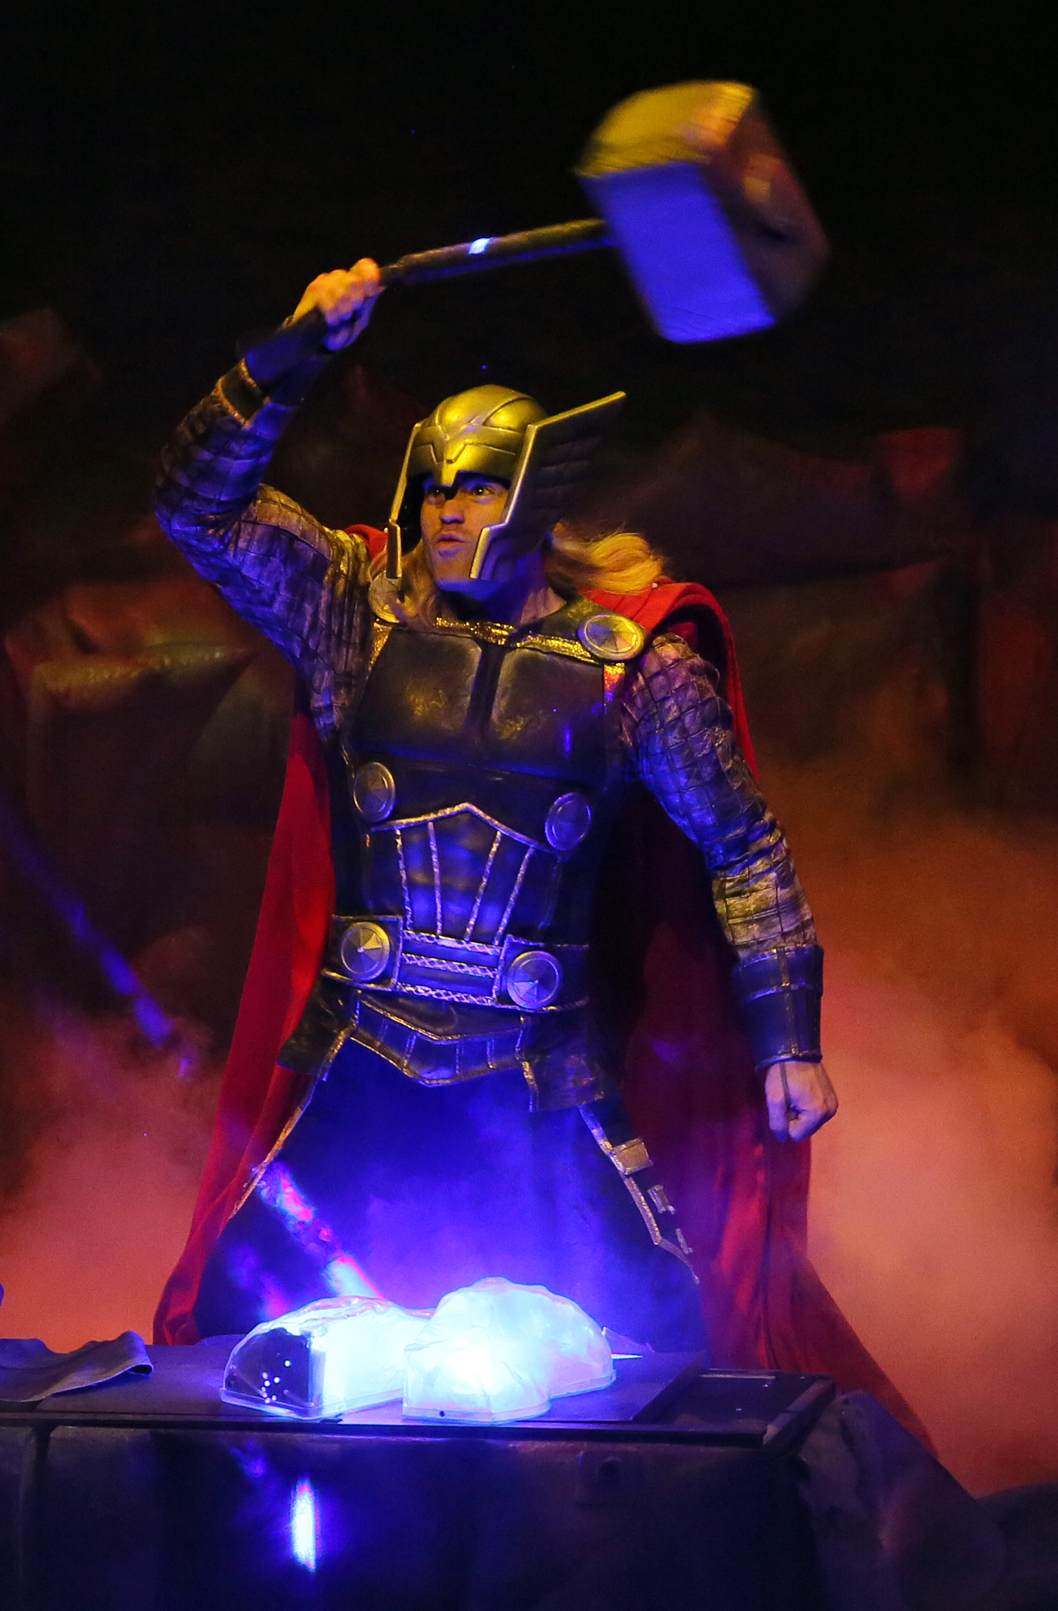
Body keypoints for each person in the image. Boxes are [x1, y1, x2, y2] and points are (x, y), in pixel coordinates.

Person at [151, 259, 917, 1431]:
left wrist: (788, 1041)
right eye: (434, 486)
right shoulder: (352, 610)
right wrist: (292, 350)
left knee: (661, 1370)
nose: (448, 511)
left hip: (542, 1084)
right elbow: (195, 503)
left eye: (477, 486)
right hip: (363, 1064)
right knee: (237, 1349)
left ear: (537, 494)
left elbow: (743, 848)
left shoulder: (635, 668)